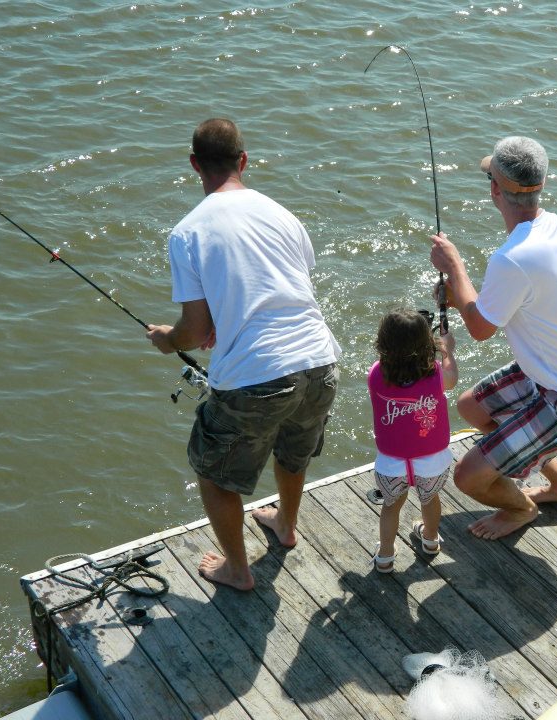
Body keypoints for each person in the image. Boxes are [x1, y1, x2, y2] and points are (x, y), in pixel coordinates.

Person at [147, 118, 340, 591]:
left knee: (212, 474)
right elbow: (278, 288)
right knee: (293, 455)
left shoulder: (187, 232)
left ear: (194, 165)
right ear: (244, 161)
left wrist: (167, 340)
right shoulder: (282, 214)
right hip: (319, 361)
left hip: (256, 377)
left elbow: (194, 330)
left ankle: (237, 570)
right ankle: (286, 526)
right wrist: (220, 324)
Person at [429, 136, 557, 541]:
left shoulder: (512, 257)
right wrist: (460, 292)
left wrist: (455, 268)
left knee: (468, 476)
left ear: (495, 188)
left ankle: (521, 508)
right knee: (472, 407)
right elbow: (496, 304)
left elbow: (480, 329)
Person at [367, 309, 458, 572]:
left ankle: (385, 556)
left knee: (391, 506)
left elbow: (391, 367)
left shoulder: (375, 375)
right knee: (430, 499)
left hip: (391, 465)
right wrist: (447, 351)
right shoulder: (437, 375)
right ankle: (430, 540)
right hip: (432, 463)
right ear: (426, 344)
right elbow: (452, 380)